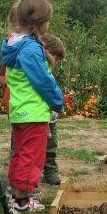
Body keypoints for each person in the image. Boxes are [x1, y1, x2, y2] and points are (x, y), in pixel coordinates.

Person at [0, 0, 64, 212]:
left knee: (20, 154)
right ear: (38, 24)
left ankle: (17, 196)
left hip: (20, 110)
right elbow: (42, 81)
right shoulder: (30, 49)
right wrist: (57, 100)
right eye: (47, 21)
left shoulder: (14, 44)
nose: (48, 25)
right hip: (33, 112)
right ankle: (22, 202)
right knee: (32, 157)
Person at [38, 34, 65, 186]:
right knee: (34, 148)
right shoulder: (38, 69)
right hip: (38, 117)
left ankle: (50, 172)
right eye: (56, 58)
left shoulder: (46, 70)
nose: (56, 63)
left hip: (50, 118)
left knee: (51, 147)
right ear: (48, 53)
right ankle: (30, 177)